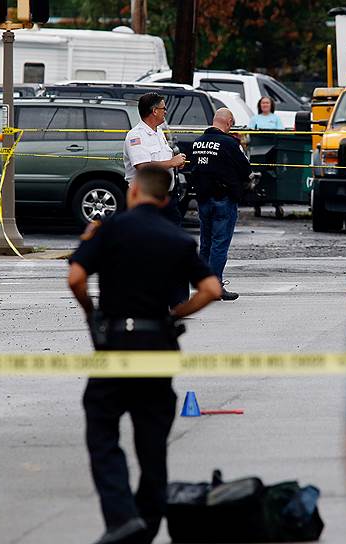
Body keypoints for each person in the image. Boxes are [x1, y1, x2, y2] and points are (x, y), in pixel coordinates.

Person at [67, 166, 222, 544]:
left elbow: (75, 278)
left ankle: (121, 517)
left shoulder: (109, 229)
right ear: (166, 199)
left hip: (117, 344)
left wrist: (92, 313)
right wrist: (175, 315)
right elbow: (211, 289)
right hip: (158, 345)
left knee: (102, 428)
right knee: (152, 443)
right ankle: (146, 526)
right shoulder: (177, 238)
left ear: (133, 192)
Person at [123, 92, 190, 305]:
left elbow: (162, 160)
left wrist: (175, 162)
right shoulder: (136, 136)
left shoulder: (158, 132)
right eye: (163, 108)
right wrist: (171, 162)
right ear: (153, 111)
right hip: (145, 201)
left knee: (175, 247)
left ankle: (178, 300)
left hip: (167, 199)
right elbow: (142, 167)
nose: (165, 112)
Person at [191, 108, 251, 301]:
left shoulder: (198, 142)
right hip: (223, 199)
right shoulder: (229, 143)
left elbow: (195, 169)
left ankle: (203, 284)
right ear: (229, 122)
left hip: (203, 199)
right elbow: (245, 169)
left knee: (206, 243)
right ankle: (215, 286)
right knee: (219, 245)